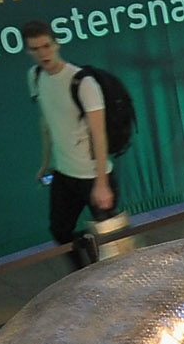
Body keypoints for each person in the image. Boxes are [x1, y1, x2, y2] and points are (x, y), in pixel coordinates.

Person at [25, 22, 124, 264]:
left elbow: (99, 135)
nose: (43, 53)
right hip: (64, 173)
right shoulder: (35, 77)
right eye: (35, 49)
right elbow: (46, 122)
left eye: (46, 46)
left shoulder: (83, 83)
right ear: (28, 51)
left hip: (93, 175)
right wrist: (46, 162)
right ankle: (84, 274)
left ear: (56, 44)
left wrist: (101, 184)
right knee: (60, 231)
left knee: (114, 245)